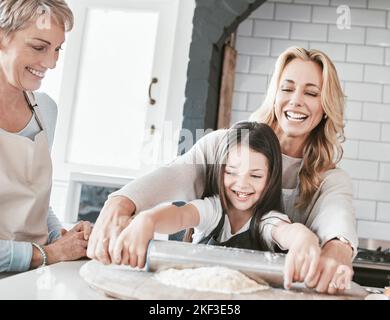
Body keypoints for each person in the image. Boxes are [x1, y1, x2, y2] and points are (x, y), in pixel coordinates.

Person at [87, 47, 357, 294]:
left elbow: (337, 218)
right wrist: (120, 204)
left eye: (311, 93)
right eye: (287, 89)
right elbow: (176, 176)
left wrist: (335, 251)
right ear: (274, 95)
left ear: (326, 108)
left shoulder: (330, 180)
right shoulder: (224, 145)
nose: (296, 101)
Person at [113, 122, 338, 290]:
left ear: (270, 180)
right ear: (220, 171)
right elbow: (180, 215)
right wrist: (149, 219)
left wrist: (304, 240)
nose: (242, 184)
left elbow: (287, 232)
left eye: (256, 176)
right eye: (231, 172)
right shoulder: (213, 211)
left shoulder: (266, 222)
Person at [0, 0, 92, 273]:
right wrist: (49, 253)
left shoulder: (45, 110)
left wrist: (62, 237)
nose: (51, 62)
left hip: (29, 279)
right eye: (39, 47)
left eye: (57, 49)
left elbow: (33, 199)